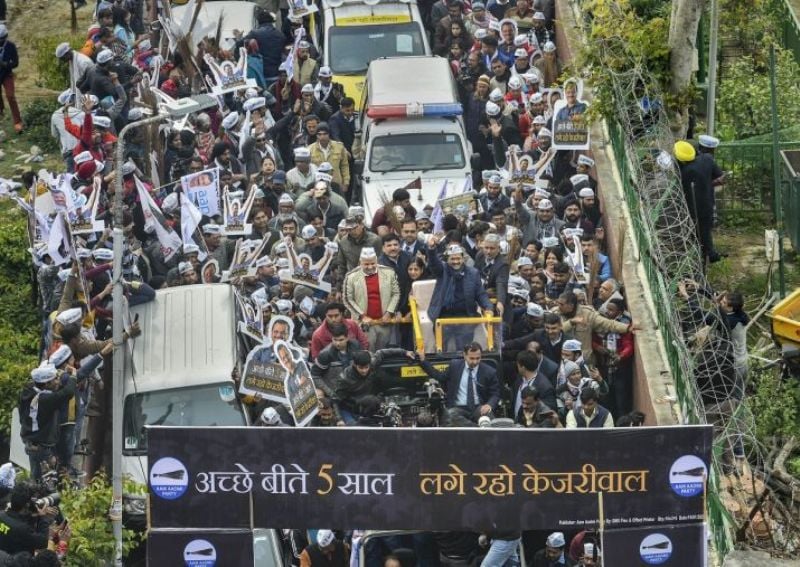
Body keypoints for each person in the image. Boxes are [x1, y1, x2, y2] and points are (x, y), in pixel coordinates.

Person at [426, 240, 493, 350]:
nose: (456, 262)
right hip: (443, 314)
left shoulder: (473, 273)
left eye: (458, 258)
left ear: (463, 258)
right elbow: (433, 263)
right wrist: (431, 249)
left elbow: (481, 294)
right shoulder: (442, 270)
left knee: (464, 348)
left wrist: (488, 307)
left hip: (465, 315)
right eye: (452, 259)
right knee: (441, 348)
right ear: (447, 260)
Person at [18, 364, 76, 480]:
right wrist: (72, 376)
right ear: (46, 384)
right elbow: (68, 392)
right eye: (55, 379)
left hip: (32, 443)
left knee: (37, 480)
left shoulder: (28, 391)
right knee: (44, 484)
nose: (58, 381)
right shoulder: (45, 400)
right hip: (42, 449)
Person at [417, 343, 500, 423]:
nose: (475, 362)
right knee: (450, 416)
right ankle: (476, 430)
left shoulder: (489, 372)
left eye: (478, 358)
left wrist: (489, 405)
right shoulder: (454, 366)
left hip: (479, 408)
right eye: (471, 358)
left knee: (489, 419)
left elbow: (495, 394)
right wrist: (423, 361)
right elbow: (439, 376)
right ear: (464, 355)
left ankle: (471, 429)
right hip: (458, 408)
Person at [343, 247, 400, 349]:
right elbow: (347, 299)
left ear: (376, 261)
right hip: (364, 324)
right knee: (367, 353)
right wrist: (362, 316)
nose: (370, 267)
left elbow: (396, 293)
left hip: (384, 322)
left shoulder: (389, 273)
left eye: (373, 263)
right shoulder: (351, 276)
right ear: (361, 263)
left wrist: (389, 312)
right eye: (366, 264)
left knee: (383, 352)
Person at [0, 484, 56, 555]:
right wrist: (43, 517)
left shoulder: (1, 514)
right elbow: (43, 542)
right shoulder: (22, 529)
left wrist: (33, 515)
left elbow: (18, 519)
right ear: (27, 505)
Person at [0, 24, 22, 133]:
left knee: (10, 96)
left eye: (1, 39)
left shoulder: (11, 46)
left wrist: (5, 65)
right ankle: (1, 112)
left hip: (7, 73)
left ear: (5, 37)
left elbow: (16, 63)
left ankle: (17, 122)